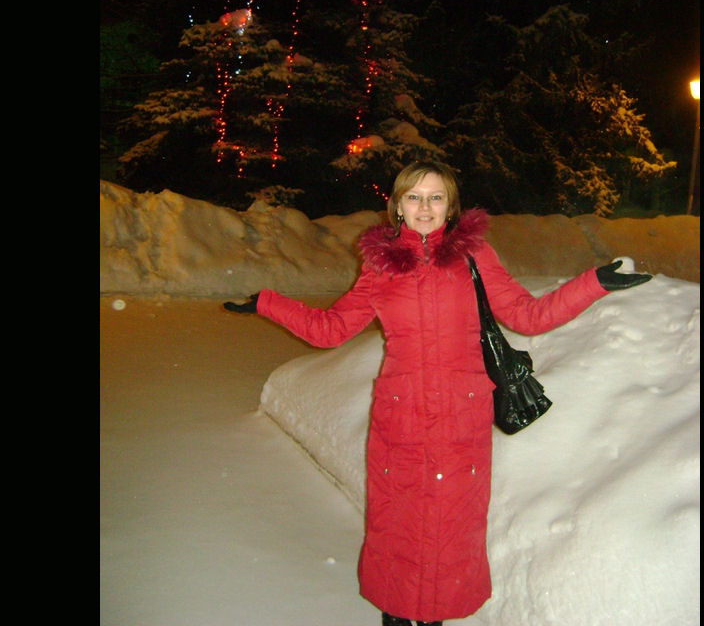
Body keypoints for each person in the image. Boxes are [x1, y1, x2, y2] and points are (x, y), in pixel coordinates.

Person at [224, 160, 651, 626]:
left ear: (451, 206)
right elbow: (331, 329)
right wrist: (268, 303)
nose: (424, 207)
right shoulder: (380, 266)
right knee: (397, 523)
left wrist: (595, 283)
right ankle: (396, 612)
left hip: (461, 421)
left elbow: (528, 316)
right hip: (400, 419)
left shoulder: (474, 256)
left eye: (435, 197)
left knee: (452, 527)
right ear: (397, 206)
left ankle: (435, 616)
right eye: (414, 197)